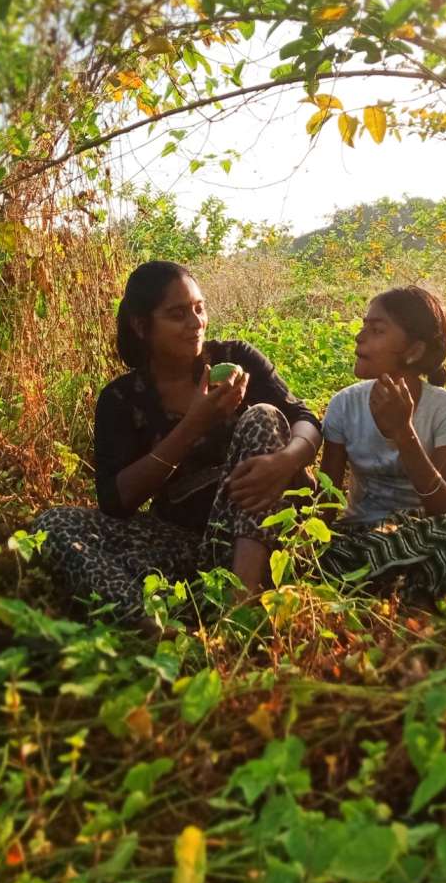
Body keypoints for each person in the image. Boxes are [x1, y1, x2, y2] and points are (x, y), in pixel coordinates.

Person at [32, 260, 321, 618]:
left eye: (199, 309)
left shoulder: (235, 360)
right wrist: (192, 426)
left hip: (259, 533)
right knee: (54, 524)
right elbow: (115, 502)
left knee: (262, 416)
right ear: (142, 326)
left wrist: (287, 460)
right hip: (181, 542)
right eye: (177, 314)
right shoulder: (122, 398)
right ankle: (151, 624)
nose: (195, 323)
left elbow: (305, 419)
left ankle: (239, 607)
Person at [315, 285, 446, 604]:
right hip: (360, 539)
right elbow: (328, 499)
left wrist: (404, 433)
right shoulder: (344, 404)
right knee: (328, 556)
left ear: (413, 351)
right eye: (363, 326)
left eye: (376, 330)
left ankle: (395, 592)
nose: (360, 337)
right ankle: (411, 590)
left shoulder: (444, 409)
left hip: (425, 533)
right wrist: (307, 548)